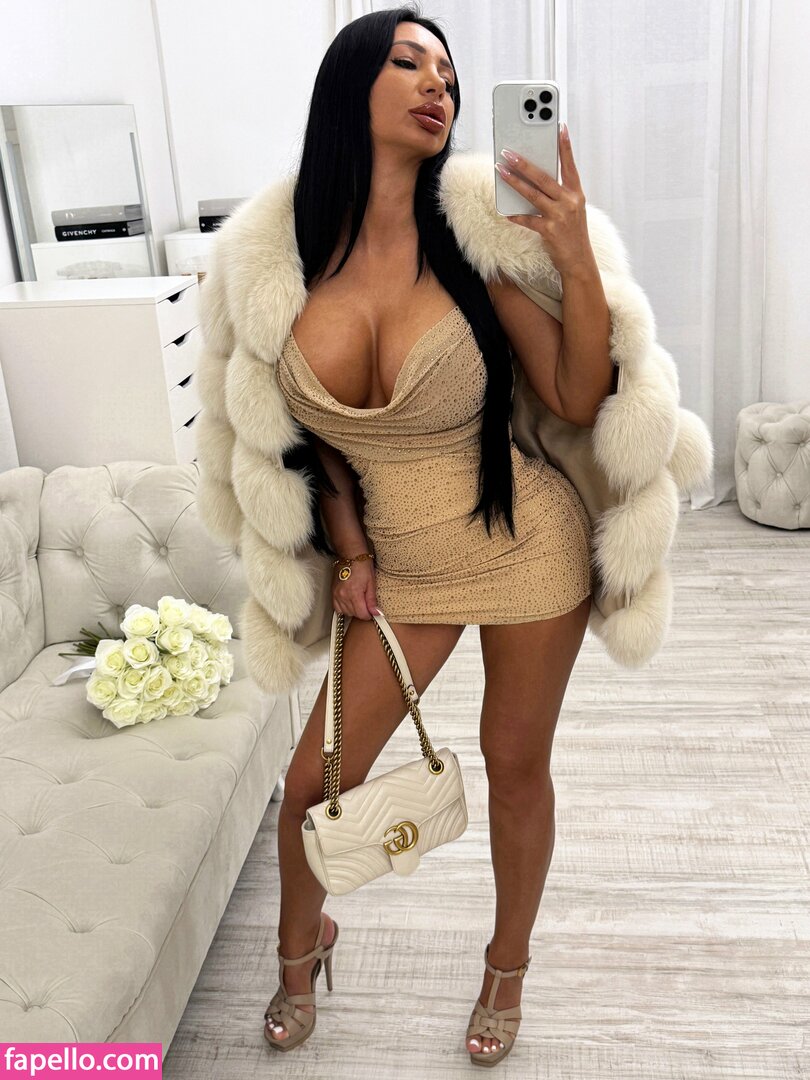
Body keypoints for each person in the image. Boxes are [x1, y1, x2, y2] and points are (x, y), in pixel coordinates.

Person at [250, 4, 615, 1066]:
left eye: (448, 75)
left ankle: (506, 969)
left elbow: (577, 395)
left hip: (525, 544)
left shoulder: (470, 253)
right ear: (349, 86)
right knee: (311, 786)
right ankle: (299, 950)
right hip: (399, 566)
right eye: (410, 62)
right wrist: (353, 551)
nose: (437, 86)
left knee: (515, 765)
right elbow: (308, 443)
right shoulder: (280, 267)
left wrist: (573, 253)